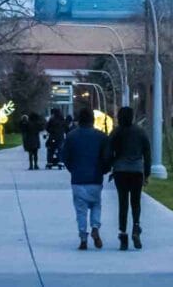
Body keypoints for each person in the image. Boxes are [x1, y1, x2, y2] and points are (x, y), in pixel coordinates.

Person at [61, 108, 108, 251]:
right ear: (92, 120)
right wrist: (103, 170)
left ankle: (83, 237)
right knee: (96, 205)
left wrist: (73, 169)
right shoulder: (101, 137)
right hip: (95, 178)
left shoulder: (71, 136)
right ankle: (95, 226)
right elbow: (106, 157)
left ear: (79, 120)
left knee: (80, 211)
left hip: (78, 179)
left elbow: (65, 157)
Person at [106, 106, 151, 251]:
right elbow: (147, 154)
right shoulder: (140, 132)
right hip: (137, 170)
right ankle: (136, 227)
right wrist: (147, 173)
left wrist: (111, 165)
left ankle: (123, 234)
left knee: (122, 202)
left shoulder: (116, 132)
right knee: (136, 202)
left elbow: (108, 152)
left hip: (120, 170)